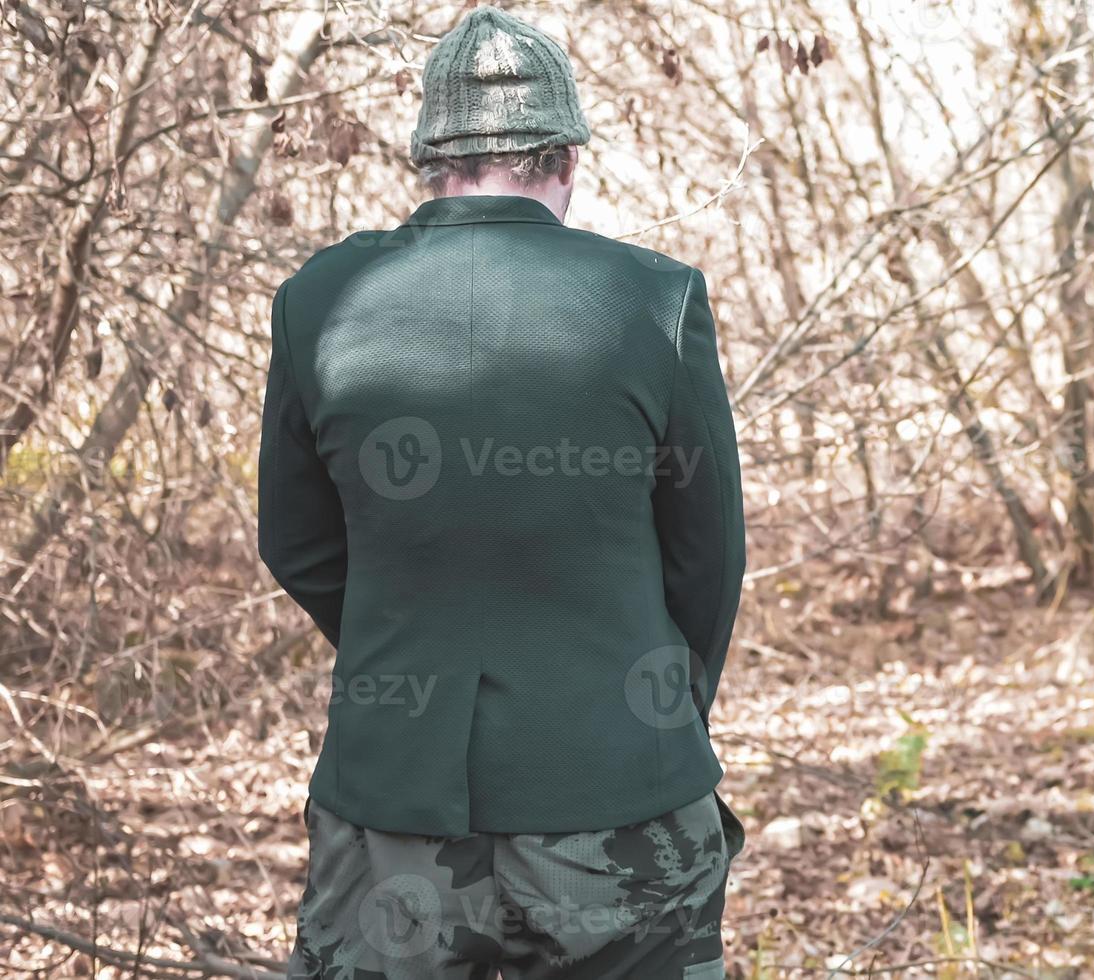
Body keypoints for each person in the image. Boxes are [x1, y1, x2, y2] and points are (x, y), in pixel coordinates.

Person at [256, 7, 745, 977]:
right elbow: (706, 554)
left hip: (391, 806)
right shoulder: (653, 299)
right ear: (564, 157)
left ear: (428, 160)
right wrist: (660, 702)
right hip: (618, 797)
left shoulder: (319, 299)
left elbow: (296, 542)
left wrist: (408, 639)